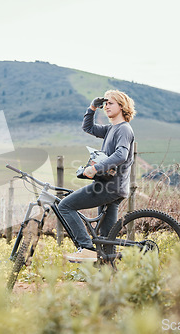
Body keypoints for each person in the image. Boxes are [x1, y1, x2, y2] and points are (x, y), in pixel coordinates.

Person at [59, 89, 136, 262]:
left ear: (122, 106)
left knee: (65, 206)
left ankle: (86, 248)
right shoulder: (111, 129)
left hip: (109, 187)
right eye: (105, 103)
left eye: (110, 103)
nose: (106, 106)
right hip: (113, 187)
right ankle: (109, 276)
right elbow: (88, 127)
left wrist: (96, 168)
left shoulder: (123, 129)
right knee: (107, 238)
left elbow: (121, 155)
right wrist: (93, 107)